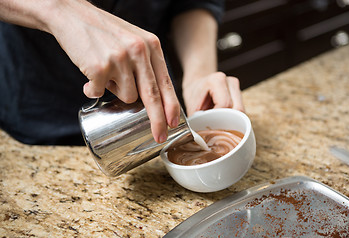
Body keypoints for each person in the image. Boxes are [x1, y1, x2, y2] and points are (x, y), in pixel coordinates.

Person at [0, 0, 244, 145]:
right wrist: (60, 9)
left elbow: (191, 3)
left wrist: (198, 75)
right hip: (32, 127)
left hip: (152, 117)